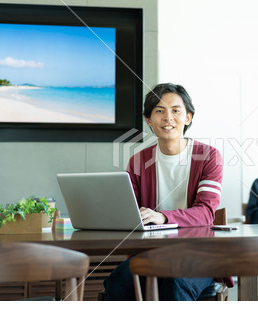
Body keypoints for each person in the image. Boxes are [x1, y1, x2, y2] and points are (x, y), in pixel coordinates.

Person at [104, 83, 223, 300]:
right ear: (149, 119)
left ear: (188, 117)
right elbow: (130, 213)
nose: (168, 117)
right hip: (150, 253)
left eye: (176, 111)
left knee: (175, 282)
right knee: (117, 282)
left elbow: (206, 213)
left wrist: (162, 217)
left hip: (198, 255)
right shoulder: (139, 160)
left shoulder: (209, 157)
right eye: (159, 111)